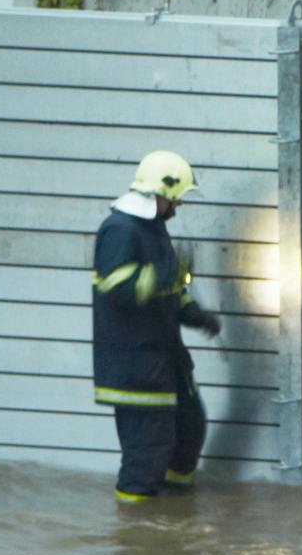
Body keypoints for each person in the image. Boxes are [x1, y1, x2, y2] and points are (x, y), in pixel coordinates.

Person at [91, 148, 222, 499]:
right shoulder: (119, 230)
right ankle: (137, 537)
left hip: (165, 361)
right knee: (146, 456)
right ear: (160, 193)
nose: (178, 206)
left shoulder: (154, 228)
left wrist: (196, 315)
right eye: (176, 199)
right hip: (135, 366)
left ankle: (173, 516)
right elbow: (118, 291)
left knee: (189, 431)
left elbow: (171, 290)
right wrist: (166, 273)